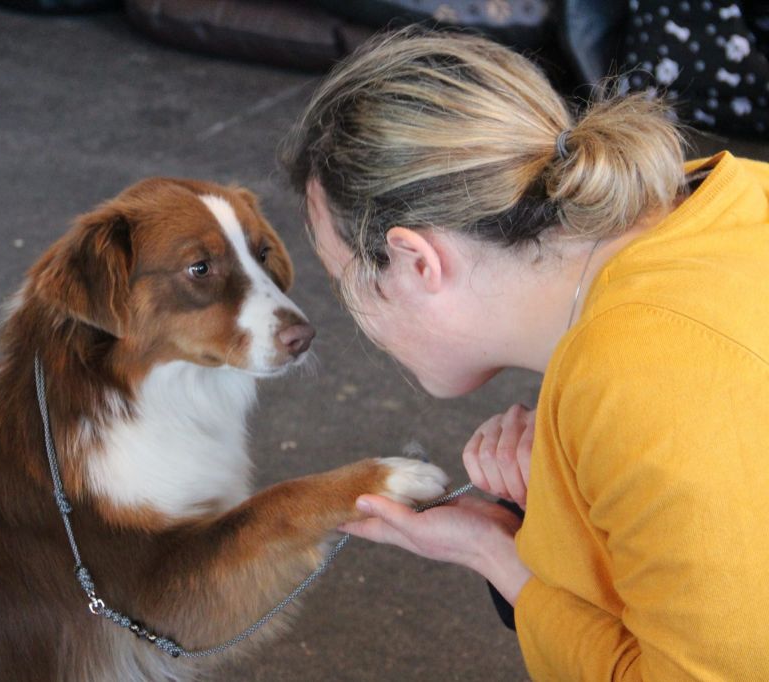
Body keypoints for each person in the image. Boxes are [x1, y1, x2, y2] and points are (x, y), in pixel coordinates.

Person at [281, 28, 769, 680]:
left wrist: (502, 557)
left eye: (344, 282)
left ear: (416, 261)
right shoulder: (725, 199)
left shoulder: (635, 381)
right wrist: (576, 500)